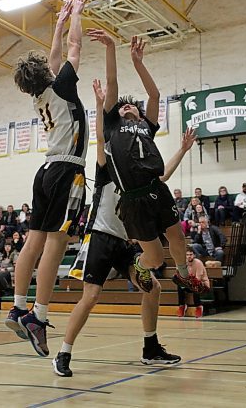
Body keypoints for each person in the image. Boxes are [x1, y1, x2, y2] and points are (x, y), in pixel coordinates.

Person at [52, 78, 195, 377]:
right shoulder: (108, 161)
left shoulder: (139, 163)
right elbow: (102, 136)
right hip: (102, 235)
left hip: (128, 239)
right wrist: (99, 102)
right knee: (91, 296)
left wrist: (181, 150)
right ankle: (63, 353)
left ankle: (150, 348)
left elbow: (162, 176)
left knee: (152, 287)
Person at [86, 29, 206, 296]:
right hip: (132, 199)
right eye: (122, 107)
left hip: (156, 189)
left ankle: (184, 276)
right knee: (154, 259)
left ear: (140, 114)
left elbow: (154, 95)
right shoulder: (113, 129)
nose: (127, 107)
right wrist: (110, 48)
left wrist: (139, 63)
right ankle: (140, 265)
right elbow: (112, 82)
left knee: (178, 238)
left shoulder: (146, 127)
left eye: (132, 107)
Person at [5, 0, 89, 357]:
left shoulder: (42, 93)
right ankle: (37, 316)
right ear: (48, 75)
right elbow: (73, 47)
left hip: (45, 170)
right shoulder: (62, 87)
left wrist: (57, 21)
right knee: (56, 242)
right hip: (67, 170)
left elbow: (55, 57)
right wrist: (77, 15)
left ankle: (18, 306)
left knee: (33, 241)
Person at [177, 247, 210, 319]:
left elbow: (198, 278)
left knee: (196, 286)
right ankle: (182, 306)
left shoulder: (198, 263)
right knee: (179, 286)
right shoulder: (184, 263)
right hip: (190, 283)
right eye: (187, 255)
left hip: (202, 284)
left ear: (194, 255)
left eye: (191, 254)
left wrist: (190, 283)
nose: (189, 256)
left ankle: (199, 307)